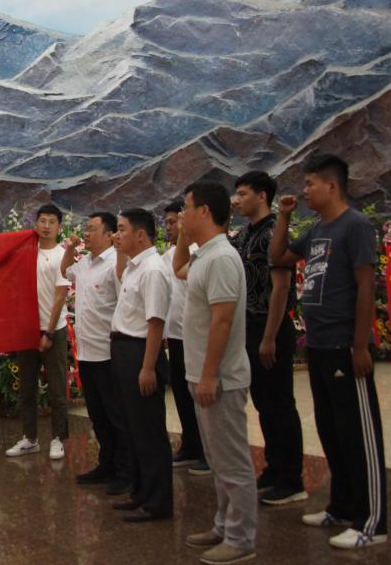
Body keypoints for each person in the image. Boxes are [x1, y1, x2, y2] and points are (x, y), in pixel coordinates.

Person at [271, 155, 388, 550]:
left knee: (358, 435)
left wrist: (360, 344)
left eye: (310, 184)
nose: (304, 191)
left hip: (344, 345)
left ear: (332, 186)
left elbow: (366, 285)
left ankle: (373, 523)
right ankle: (342, 505)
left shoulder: (355, 226)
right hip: (319, 346)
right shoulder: (317, 230)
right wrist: (284, 217)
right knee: (332, 431)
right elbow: (279, 257)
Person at [178, 182, 257, 565]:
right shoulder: (204, 255)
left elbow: (222, 321)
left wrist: (209, 375)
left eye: (186, 207)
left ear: (205, 211)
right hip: (203, 376)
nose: (182, 214)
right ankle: (224, 524)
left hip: (220, 379)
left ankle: (241, 538)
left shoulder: (222, 258)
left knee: (232, 462)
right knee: (218, 459)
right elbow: (178, 270)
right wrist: (183, 233)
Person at [232, 171, 306, 505]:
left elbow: (281, 287)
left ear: (262, 196)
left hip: (270, 326)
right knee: (264, 403)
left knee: (279, 404)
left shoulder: (275, 230)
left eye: (243, 194)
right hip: (250, 325)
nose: (237, 200)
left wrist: (269, 337)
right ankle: (274, 469)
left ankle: (291, 479)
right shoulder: (246, 233)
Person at [109, 208, 173, 522]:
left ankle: (158, 502)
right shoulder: (135, 266)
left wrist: (147, 368)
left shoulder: (153, 269)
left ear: (141, 234)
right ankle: (141, 492)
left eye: (122, 229)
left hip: (140, 352)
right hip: (124, 350)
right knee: (134, 427)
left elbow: (155, 322)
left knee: (149, 430)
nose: (116, 235)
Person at [61, 212, 132, 494]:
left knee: (116, 416)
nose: (86, 233)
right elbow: (65, 271)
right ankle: (107, 464)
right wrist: (69, 248)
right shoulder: (85, 263)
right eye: (85, 228)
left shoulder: (115, 264)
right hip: (87, 353)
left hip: (108, 353)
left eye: (92, 229)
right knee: (98, 415)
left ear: (109, 235)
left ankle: (126, 472)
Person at [6, 205, 71, 460]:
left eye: (52, 222)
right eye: (42, 221)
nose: (46, 226)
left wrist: (49, 333)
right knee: (27, 387)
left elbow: (60, 296)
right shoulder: (26, 253)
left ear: (59, 227)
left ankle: (58, 438)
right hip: (27, 329)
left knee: (57, 388)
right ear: (35, 224)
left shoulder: (61, 255)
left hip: (53, 329)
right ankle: (30, 438)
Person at [161, 201, 208, 476]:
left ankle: (207, 450)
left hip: (197, 335)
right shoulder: (167, 255)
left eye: (173, 222)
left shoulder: (200, 252)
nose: (168, 227)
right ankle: (190, 443)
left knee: (199, 394)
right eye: (166, 223)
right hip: (175, 335)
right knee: (180, 391)